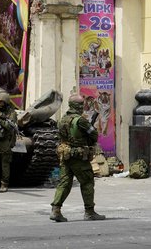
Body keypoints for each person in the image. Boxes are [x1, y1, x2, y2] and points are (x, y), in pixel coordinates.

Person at [50, 91, 105, 222]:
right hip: (79, 157)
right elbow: (93, 135)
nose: (83, 107)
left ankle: (56, 210)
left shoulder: (63, 119)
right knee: (87, 182)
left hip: (66, 155)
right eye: (82, 104)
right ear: (78, 106)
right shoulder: (80, 121)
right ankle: (89, 212)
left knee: (64, 183)